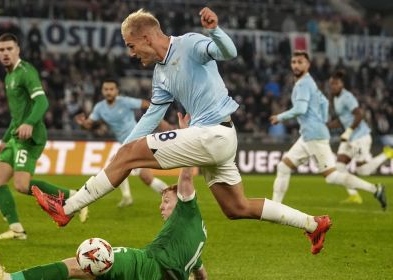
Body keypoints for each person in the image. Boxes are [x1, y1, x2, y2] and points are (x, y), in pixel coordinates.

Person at [34, 7, 334, 256]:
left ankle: (67, 208)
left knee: (130, 156)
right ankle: (313, 224)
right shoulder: (160, 73)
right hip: (218, 137)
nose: (130, 53)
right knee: (236, 207)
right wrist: (124, 148)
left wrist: (215, 30)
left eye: (131, 45)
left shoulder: (189, 44)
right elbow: (153, 114)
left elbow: (228, 52)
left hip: (213, 134)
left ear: (147, 37)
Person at [0, 167, 208, 280]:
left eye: (166, 201)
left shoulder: (187, 209)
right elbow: (201, 275)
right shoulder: (199, 234)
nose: (161, 206)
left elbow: (186, 177)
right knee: (85, 270)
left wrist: (187, 133)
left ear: (181, 201)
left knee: (78, 261)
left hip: (145, 265)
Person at [0, 33, 87, 240]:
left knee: (21, 185)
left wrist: (29, 123)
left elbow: (42, 102)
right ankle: (16, 230)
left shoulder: (25, 72)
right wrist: (5, 138)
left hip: (30, 137)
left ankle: (76, 196)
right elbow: (17, 115)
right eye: (1, 50)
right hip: (16, 136)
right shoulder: (9, 76)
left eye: (9, 49)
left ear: (18, 50)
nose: (5, 53)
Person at [270, 51, 386, 210]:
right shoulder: (309, 82)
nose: (296, 65)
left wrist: (280, 117)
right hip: (308, 135)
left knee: (332, 177)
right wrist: (323, 120)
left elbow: (300, 108)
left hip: (315, 136)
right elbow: (324, 101)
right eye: (294, 62)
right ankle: (275, 209)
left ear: (308, 64)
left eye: (300, 62)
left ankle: (375, 189)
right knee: (283, 167)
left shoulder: (304, 83)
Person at [75, 79, 169, 207]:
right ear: (102, 91)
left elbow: (146, 104)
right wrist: (83, 124)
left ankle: (169, 195)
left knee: (117, 164)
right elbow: (89, 125)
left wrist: (160, 121)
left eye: (111, 89)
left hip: (137, 141)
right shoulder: (100, 107)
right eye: (106, 89)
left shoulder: (124, 102)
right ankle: (168, 194)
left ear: (117, 91)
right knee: (141, 176)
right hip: (126, 145)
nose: (108, 92)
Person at [328, 70, 393, 204]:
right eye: (331, 84)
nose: (333, 86)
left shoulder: (347, 97)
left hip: (360, 137)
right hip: (349, 137)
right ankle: (354, 196)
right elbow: (342, 119)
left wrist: (349, 131)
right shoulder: (335, 98)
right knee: (339, 166)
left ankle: (387, 154)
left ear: (341, 85)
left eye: (336, 84)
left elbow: (359, 114)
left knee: (362, 171)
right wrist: (326, 126)